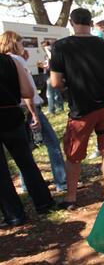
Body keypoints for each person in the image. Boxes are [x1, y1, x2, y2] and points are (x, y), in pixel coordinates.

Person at [50, 8, 104, 210]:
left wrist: (69, 84)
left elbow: (55, 82)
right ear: (91, 23)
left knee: (74, 156)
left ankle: (71, 198)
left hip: (81, 109)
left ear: (72, 23)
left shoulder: (60, 46)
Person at [0, 31, 55, 226]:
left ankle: (14, 215)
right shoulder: (10, 61)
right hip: (12, 116)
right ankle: (44, 202)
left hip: (10, 115)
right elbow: (28, 92)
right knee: (26, 162)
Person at [6, 33, 67, 192]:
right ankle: (62, 181)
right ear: (13, 43)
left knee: (26, 148)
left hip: (16, 110)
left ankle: (27, 184)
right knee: (52, 143)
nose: (23, 45)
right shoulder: (16, 61)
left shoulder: (7, 60)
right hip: (31, 107)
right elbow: (26, 91)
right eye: (20, 42)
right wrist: (33, 113)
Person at [41, 40, 64, 114]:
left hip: (53, 75)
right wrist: (44, 66)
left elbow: (53, 59)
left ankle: (52, 110)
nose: (43, 48)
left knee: (51, 94)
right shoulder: (46, 55)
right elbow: (50, 64)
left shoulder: (51, 53)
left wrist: (47, 49)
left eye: (43, 47)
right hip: (49, 74)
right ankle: (59, 108)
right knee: (55, 93)